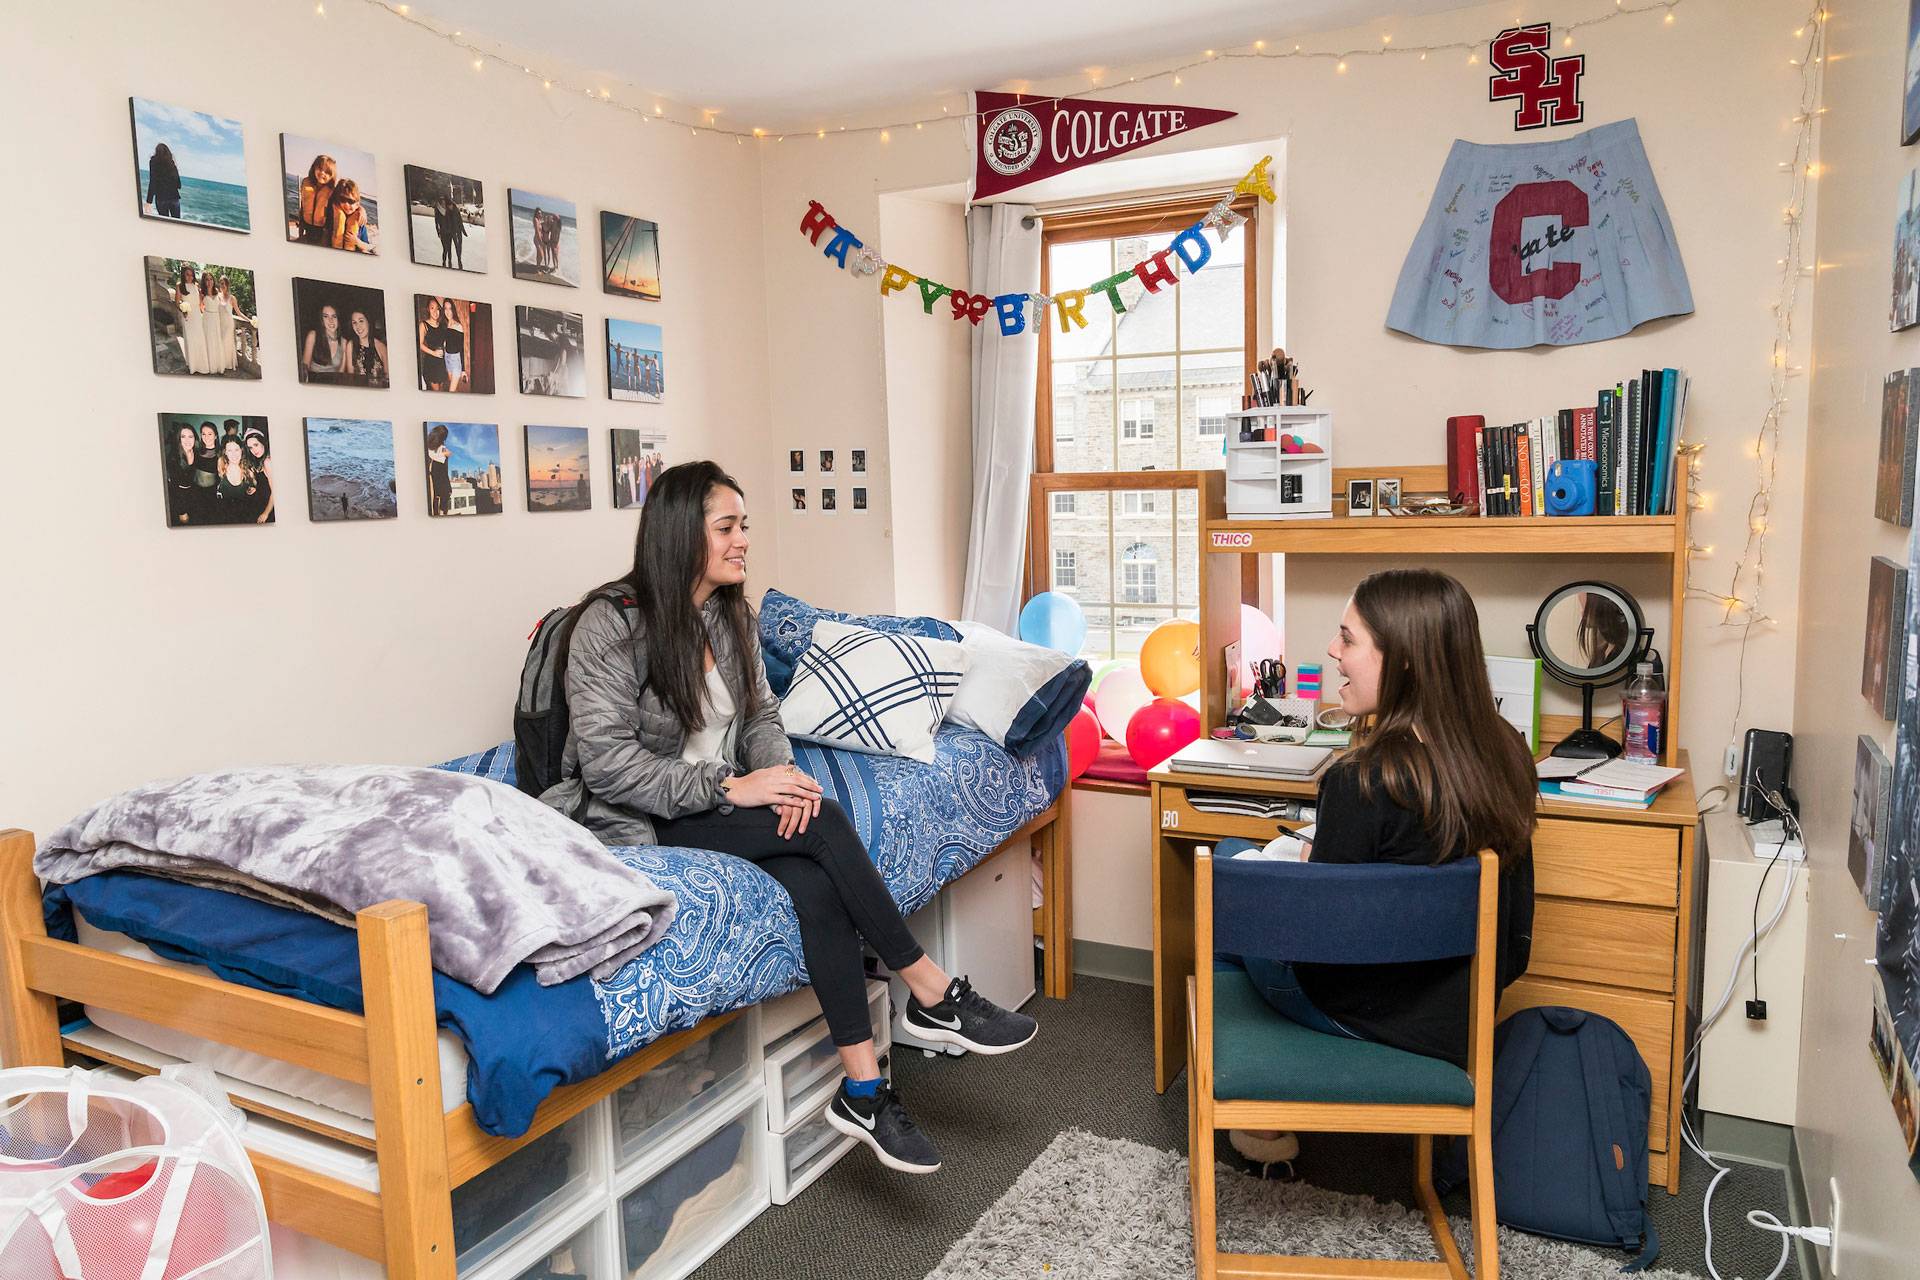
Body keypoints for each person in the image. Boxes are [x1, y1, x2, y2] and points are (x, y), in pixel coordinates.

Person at [545, 461, 1036, 1175]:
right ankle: (932, 991)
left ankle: (864, 1088)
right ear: (683, 534)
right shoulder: (609, 626)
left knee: (814, 879)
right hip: (645, 813)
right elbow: (608, 767)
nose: (744, 539)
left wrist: (782, 777)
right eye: (728, 527)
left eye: (744, 525)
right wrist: (733, 788)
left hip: (723, 795)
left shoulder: (728, 612)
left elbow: (760, 716)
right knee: (828, 827)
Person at [1225, 568, 1537, 1174]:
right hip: (1460, 1017)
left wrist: (1314, 864)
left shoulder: (1363, 778)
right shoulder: (1505, 749)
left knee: (1229, 876)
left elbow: (1317, 950)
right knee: (1255, 871)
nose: (1332, 652)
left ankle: (1259, 1108)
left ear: (1406, 662)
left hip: (1360, 1012)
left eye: (1348, 639)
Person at [173, 266, 211, 375]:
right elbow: (177, 302)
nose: (190, 277)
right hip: (187, 316)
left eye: (191, 274)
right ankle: (193, 366)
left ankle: (203, 365)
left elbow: (201, 303)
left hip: (198, 316)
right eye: (187, 274)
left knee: (200, 339)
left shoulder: (196, 285)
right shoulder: (179, 286)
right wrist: (182, 308)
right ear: (183, 275)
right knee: (191, 340)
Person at [165, 424, 202, 524]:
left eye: (190, 436)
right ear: (179, 439)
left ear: (195, 438)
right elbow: (174, 488)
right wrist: (181, 511)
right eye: (183, 437)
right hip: (180, 497)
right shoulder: (173, 458)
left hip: (194, 494)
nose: (187, 440)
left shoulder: (197, 452)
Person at [212, 436, 255, 521]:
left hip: (244, 518)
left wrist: (254, 488)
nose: (234, 454)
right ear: (225, 452)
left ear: (241, 450)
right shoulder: (220, 466)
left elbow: (255, 487)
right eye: (229, 450)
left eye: (236, 450)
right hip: (223, 517)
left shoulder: (249, 470)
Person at [297, 154, 337, 244]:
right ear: (314, 168)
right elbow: (303, 206)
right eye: (320, 168)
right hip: (307, 227)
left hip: (323, 232)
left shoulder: (333, 191)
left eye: (327, 172)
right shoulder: (305, 182)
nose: (322, 173)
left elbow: (347, 202)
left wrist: (361, 210)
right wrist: (301, 230)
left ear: (332, 175)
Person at [303, 305, 348, 382]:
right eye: (326, 316)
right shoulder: (313, 336)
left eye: (334, 316)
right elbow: (305, 366)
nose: (331, 320)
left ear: (338, 319)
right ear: (322, 320)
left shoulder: (344, 342)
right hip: (314, 383)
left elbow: (341, 373)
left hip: (333, 385)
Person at [329, 179, 371, 253]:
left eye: (351, 201)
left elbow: (367, 246)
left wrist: (357, 241)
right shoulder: (333, 216)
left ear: (357, 204)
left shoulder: (359, 221)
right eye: (342, 199)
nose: (346, 204)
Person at [348, 310, 387, 387]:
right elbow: (350, 378)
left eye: (361, 321)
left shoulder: (381, 346)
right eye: (354, 323)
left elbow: (388, 378)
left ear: (368, 322)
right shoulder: (350, 345)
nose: (358, 326)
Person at [243, 429, 274, 524]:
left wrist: (266, 513)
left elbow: (276, 491)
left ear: (263, 442)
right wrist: (255, 487)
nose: (254, 450)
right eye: (250, 448)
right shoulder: (260, 459)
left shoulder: (267, 461)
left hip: (268, 506)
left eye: (256, 445)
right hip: (260, 502)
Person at [417, 297, 448, 391]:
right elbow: (419, 344)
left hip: (442, 362)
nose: (435, 312)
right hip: (431, 362)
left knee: (441, 391)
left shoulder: (443, 325)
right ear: (428, 309)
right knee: (436, 393)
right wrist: (434, 353)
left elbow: (445, 342)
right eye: (432, 308)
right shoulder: (423, 325)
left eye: (438, 309)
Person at [147, 142, 182, 219]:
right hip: (174, 197)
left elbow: (152, 181)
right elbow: (179, 185)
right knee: (177, 224)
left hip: (161, 198)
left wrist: (149, 202)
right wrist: (175, 166)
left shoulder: (153, 162)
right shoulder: (171, 163)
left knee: (165, 225)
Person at [441, 297, 468, 392]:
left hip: (455, 361)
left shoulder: (458, 326)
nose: (448, 311)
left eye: (450, 308)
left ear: (453, 310)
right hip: (447, 358)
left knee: (451, 391)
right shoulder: (444, 325)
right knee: (453, 391)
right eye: (445, 308)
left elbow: (461, 348)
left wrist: (463, 370)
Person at [425, 425, 453, 517]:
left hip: (436, 485)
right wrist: (445, 453)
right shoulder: (442, 449)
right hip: (438, 485)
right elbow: (443, 471)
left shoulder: (428, 445)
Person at [435, 192, 465, 270]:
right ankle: (445, 262)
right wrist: (438, 231)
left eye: (444, 200)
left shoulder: (452, 207)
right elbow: (437, 221)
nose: (443, 202)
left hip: (452, 231)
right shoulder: (439, 209)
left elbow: (458, 219)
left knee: (456, 247)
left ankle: (457, 260)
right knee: (446, 249)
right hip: (444, 232)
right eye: (442, 200)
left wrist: (461, 229)